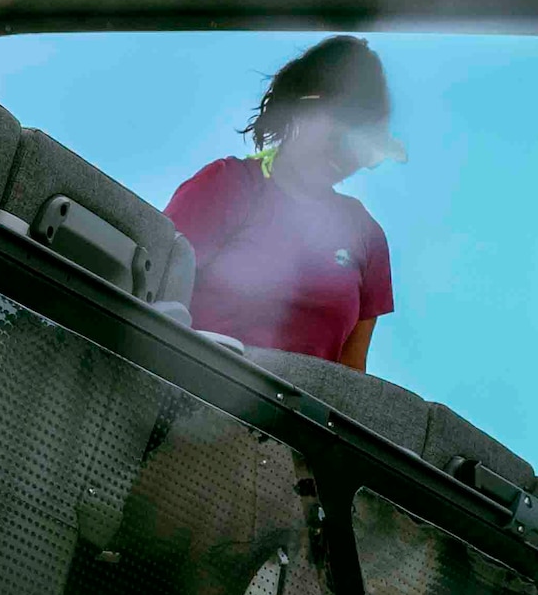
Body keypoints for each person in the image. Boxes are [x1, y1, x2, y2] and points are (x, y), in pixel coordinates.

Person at [167, 36, 399, 371]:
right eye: (339, 133)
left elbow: (352, 379)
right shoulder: (228, 185)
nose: (345, 155)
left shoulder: (367, 236)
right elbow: (152, 289)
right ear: (301, 108)